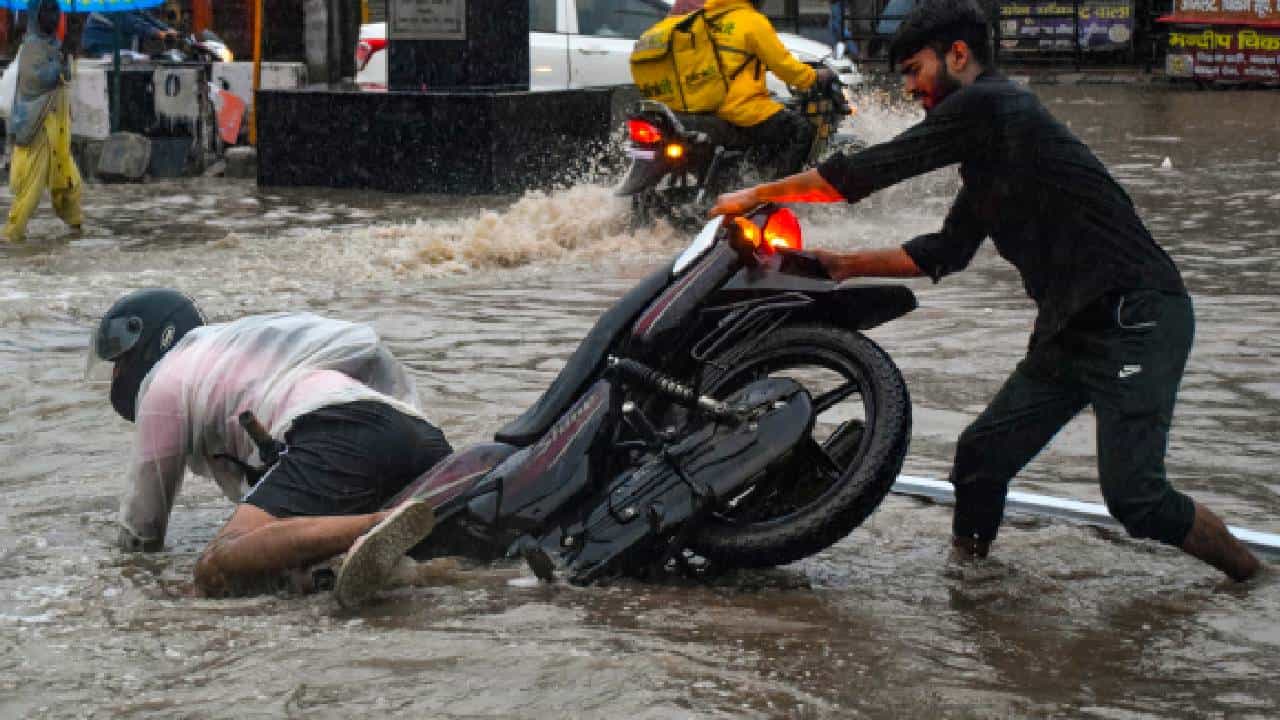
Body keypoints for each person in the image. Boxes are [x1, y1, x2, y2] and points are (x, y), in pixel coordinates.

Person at [710, 0, 1266, 583]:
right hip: (1070, 327)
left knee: (1136, 497)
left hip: (1136, 317)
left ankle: (1253, 582)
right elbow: (945, 252)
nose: (910, 88)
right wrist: (844, 265)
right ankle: (972, 587)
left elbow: (868, 172)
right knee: (980, 459)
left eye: (914, 70)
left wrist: (754, 195)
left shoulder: (993, 103)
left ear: (958, 55)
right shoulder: (993, 149)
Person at [88, 289, 454, 605]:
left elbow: (142, 531)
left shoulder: (165, 381)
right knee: (281, 555)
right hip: (414, 434)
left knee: (216, 566)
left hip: (339, 432)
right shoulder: (245, 355)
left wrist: (128, 580)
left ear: (150, 343)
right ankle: (388, 537)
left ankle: (381, 522)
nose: (117, 376)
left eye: (118, 364)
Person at [703, 0, 834, 178]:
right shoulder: (752, 21)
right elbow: (784, 65)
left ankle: (755, 171)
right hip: (737, 108)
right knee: (800, 129)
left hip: (704, 106)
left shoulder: (706, 19)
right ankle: (778, 189)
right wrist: (814, 76)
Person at [4, 0, 82, 244]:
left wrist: (69, 50)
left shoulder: (54, 44)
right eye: (46, 10)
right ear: (35, 15)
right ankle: (11, 235)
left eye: (55, 10)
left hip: (57, 127)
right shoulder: (31, 47)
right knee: (31, 189)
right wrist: (62, 59)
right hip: (36, 128)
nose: (53, 16)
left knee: (68, 181)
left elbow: (66, 77)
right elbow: (38, 81)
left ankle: (76, 226)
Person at [80, 11, 177, 58]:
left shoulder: (131, 4)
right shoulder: (111, 4)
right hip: (100, 50)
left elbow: (146, 16)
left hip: (118, 51)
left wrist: (167, 29)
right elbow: (131, 23)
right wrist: (158, 33)